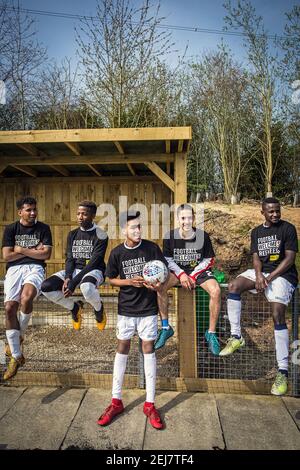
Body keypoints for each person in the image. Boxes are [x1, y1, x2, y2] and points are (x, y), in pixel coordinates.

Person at [220, 197, 299, 396]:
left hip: (283, 275)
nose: (275, 214)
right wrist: (257, 276)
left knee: (277, 315)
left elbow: (290, 259)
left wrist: (269, 278)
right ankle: (236, 336)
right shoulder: (256, 232)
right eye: (270, 211)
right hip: (262, 274)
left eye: (277, 211)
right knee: (234, 285)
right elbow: (256, 257)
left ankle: (283, 371)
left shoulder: (288, 229)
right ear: (262, 212)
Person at [97, 211, 167, 430]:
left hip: (147, 308)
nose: (138, 231)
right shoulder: (117, 253)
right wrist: (129, 281)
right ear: (123, 231)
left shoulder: (152, 248)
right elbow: (111, 280)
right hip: (126, 309)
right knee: (122, 347)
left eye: (139, 227)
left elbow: (162, 274)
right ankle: (115, 401)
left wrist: (156, 285)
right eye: (133, 227)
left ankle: (150, 404)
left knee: (149, 349)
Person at [155, 204, 221, 355]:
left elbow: (209, 259)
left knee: (216, 290)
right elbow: (167, 260)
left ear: (194, 218)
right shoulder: (170, 236)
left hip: (198, 272)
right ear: (178, 219)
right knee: (160, 287)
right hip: (178, 272)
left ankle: (211, 332)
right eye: (183, 218)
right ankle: (165, 328)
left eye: (189, 218)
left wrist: (192, 275)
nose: (186, 221)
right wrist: (181, 274)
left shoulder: (202, 236)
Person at [2, 196, 52, 380]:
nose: (32, 213)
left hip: (36, 268)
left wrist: (21, 250)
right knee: (9, 308)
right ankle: (16, 355)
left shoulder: (43, 228)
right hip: (14, 270)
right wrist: (34, 251)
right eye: (28, 210)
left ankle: (20, 335)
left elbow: (46, 254)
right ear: (20, 212)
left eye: (34, 209)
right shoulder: (11, 229)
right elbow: (7, 256)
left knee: (26, 297)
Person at [41, 201, 108, 330]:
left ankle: (99, 310)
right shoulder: (72, 234)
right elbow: (70, 258)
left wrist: (74, 282)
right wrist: (67, 277)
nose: (80, 217)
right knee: (45, 287)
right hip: (75, 270)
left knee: (86, 287)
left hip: (94, 270)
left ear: (93, 215)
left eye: (84, 214)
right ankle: (74, 307)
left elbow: (94, 262)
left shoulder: (101, 235)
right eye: (78, 214)